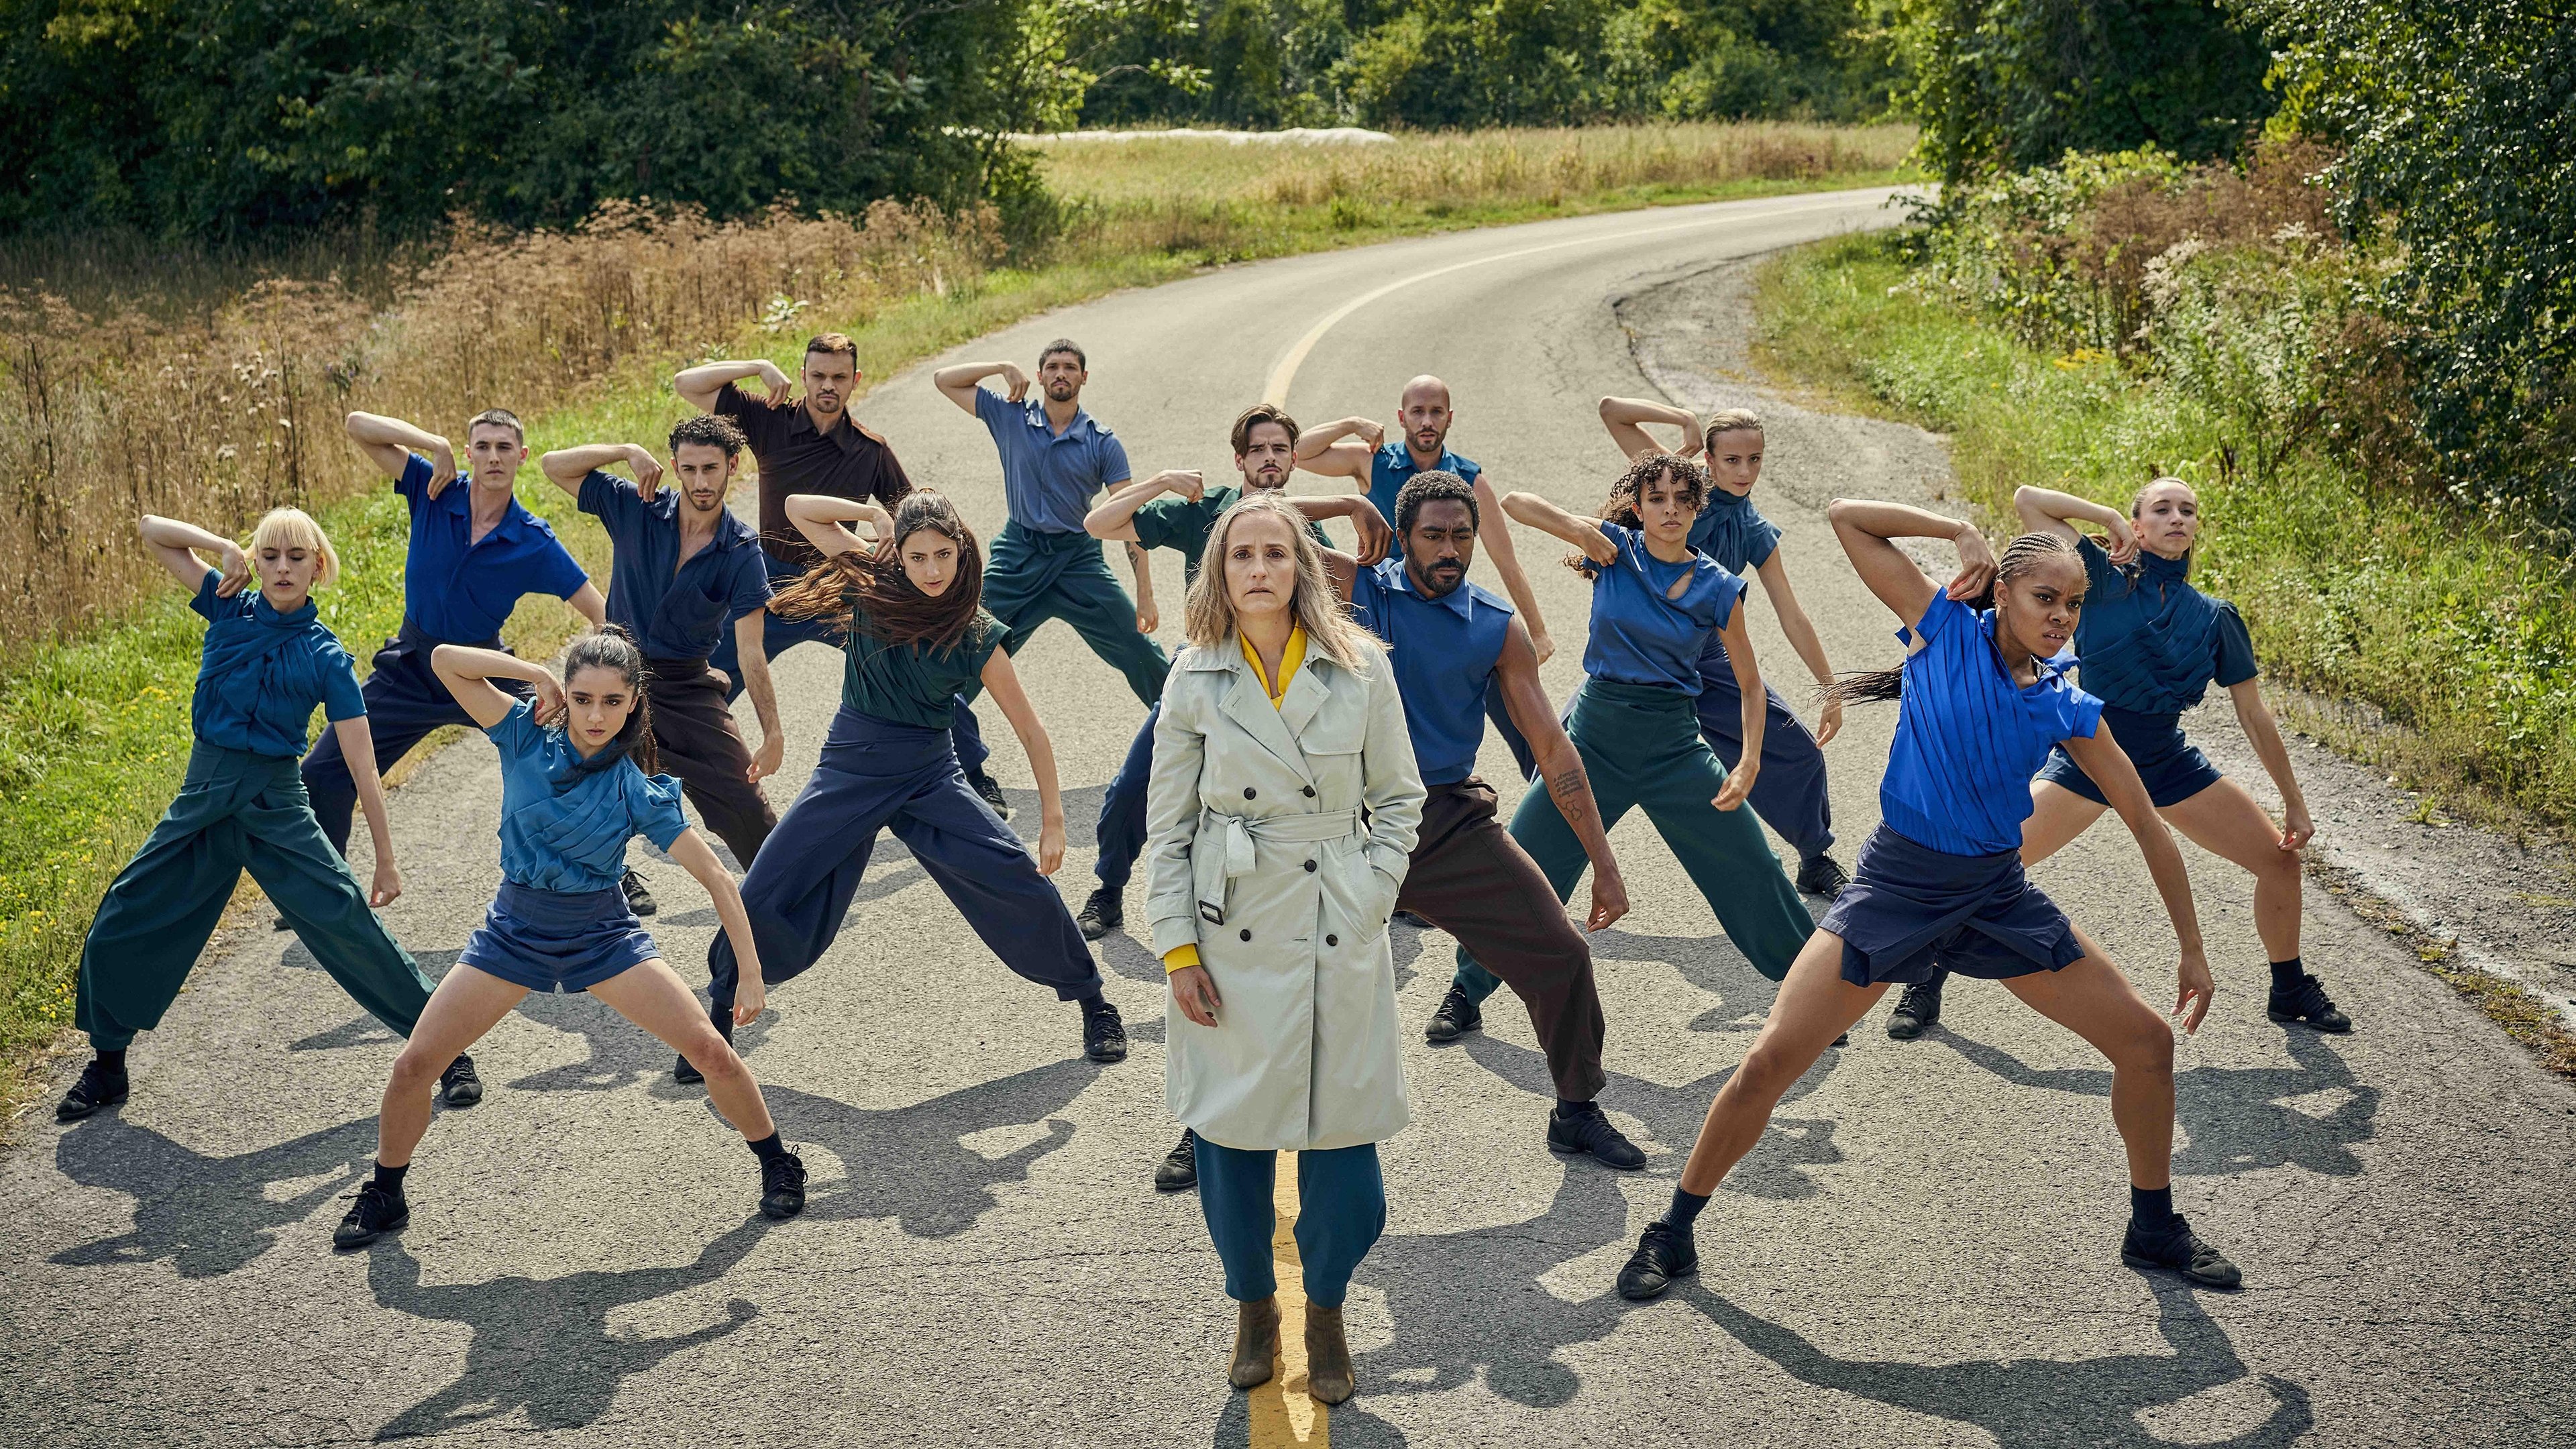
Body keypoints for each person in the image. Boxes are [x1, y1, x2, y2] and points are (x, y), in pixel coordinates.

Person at [1613, 500, 2239, 1304]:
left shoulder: (2065, 705)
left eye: (2074, 603)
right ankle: (1674, 1230)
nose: (2061, 617)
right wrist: (1954, 533)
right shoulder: (1941, 627)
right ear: (2003, 593)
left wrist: (2192, 946)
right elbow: (1846, 519)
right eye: (2045, 598)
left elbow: (2148, 825)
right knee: (1771, 1059)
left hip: (1994, 893)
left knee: (2149, 1044)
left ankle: (2153, 1228)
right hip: (1896, 887)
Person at [331, 629, 806, 1248]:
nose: (596, 715)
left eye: (613, 702)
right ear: (567, 695)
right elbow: (446, 660)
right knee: (414, 1065)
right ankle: (386, 1192)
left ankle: (777, 1162)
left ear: (634, 702)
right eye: (583, 699)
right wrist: (532, 672)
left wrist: (748, 971)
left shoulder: (638, 787)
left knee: (711, 1052)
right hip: (513, 932)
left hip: (602, 935)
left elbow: (716, 875)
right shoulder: (524, 731)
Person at [1881, 480, 2345, 1040]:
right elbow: (2030, 502)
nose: (2177, 518)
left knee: (2279, 860)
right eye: (2161, 509)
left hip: (2166, 760)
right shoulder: (2097, 579)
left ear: (2198, 527)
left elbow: (2253, 714)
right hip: (2086, 758)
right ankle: (1927, 978)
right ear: (2137, 524)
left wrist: (2294, 802)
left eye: (2188, 511)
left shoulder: (2217, 617)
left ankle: (2289, 985)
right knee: (1987, 862)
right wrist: (2105, 517)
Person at [690, 490, 1125, 1081]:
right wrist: (871, 518)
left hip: (928, 771)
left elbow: (1031, 729)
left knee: (1012, 874)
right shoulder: (869, 579)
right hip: (851, 767)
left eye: (943, 555)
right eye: (918, 557)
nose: (932, 570)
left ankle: (1093, 1001)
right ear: (900, 555)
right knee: (771, 881)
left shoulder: (975, 631)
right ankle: (716, 1017)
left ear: (961, 549)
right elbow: (795, 508)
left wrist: (1052, 819)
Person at [58, 509, 474, 1124]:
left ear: (318, 567)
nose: (282, 568)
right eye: (270, 555)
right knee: (125, 912)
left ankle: (446, 1050)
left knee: (347, 921)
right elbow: (149, 530)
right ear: (256, 562)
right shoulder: (227, 605)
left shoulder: (326, 654)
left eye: (296, 557)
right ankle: (107, 1064)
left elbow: (362, 765)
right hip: (203, 797)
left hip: (277, 804)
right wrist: (220, 547)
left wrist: (385, 860)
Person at [1146, 491, 1424, 1406]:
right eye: (1240, 555)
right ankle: (1255, 1306)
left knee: (1345, 1150)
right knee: (1231, 1140)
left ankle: (1329, 1309)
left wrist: (1372, 894)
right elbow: (1170, 828)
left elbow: (1400, 802)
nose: (1257, 568)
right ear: (1220, 574)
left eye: (1273, 552)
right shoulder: (1193, 675)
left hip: (1337, 921)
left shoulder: (1363, 668)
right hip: (1231, 927)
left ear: (1299, 568)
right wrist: (1179, 950)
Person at [1336, 469, 1647, 1173]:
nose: (1449, 550)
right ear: (1402, 535)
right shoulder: (1354, 586)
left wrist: (1603, 861)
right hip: (1340, 822)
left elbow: (1551, 747)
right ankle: (1214, 1128)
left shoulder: (1494, 627)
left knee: (1561, 954)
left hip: (1444, 822)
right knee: (1273, 967)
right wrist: (1348, 502)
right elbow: (1245, 526)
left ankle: (1576, 1111)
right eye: (1433, 536)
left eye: (1462, 537)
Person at [1441, 453, 1814, 1038]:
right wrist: (1578, 529)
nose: (1669, 511)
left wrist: (1747, 764)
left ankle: (1814, 995)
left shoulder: (1720, 587)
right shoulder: (1614, 548)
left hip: (1674, 748)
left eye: (1680, 501)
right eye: (1656, 499)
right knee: (1523, 860)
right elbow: (1514, 505)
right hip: (1592, 742)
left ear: (1697, 510)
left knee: (1754, 867)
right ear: (1638, 507)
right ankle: (1467, 989)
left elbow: (1749, 686)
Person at [1071, 402, 1392, 948]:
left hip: (1281, 682)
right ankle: (1108, 887)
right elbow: (1097, 523)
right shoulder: (1208, 510)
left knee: (1331, 777)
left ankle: (1361, 885)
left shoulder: (1306, 533)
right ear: (1239, 460)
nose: (1270, 459)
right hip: (1205, 675)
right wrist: (1159, 481)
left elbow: (1339, 609)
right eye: (1259, 450)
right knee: (1133, 786)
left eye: (1280, 450)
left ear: (1293, 460)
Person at [674, 338, 1006, 808]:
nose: (828, 386)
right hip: (770, 585)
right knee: (710, 677)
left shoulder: (870, 450)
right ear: (804, 374)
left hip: (840, 584)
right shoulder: (770, 419)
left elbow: (916, 516)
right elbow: (685, 383)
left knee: (915, 663)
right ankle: (659, 779)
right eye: (818, 375)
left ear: (856, 380)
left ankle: (973, 772)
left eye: (838, 377)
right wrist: (758, 367)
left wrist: (898, 548)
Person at [302, 409, 606, 904]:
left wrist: (604, 672)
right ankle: (323, 896)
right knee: (322, 770)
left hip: (480, 671)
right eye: (482, 446)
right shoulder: (433, 488)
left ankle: (605, 873)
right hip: (410, 668)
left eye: (504, 448)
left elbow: (598, 609)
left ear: (521, 458)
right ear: (468, 453)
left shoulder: (532, 539)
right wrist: (431, 443)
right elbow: (358, 425)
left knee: (567, 754)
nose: (493, 457)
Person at [1597, 398, 1849, 898]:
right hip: (1636, 653)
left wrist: (1832, 689)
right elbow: (1611, 411)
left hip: (1707, 657)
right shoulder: (1676, 488)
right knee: (1563, 758)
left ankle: (1815, 859)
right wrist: (1680, 421)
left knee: (1798, 752)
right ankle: (1527, 867)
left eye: (1754, 459)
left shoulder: (1753, 528)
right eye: (1731, 460)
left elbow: (1790, 613)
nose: (1745, 470)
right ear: (1707, 461)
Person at [537, 415, 784, 869]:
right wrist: (623, 448)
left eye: (711, 468)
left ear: (733, 465)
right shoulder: (636, 507)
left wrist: (772, 732)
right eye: (689, 469)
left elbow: (750, 649)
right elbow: (554, 466)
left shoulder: (741, 549)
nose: (700, 481)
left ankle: (785, 907)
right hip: (615, 679)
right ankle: (573, 902)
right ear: (673, 466)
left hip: (687, 689)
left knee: (747, 806)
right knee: (564, 792)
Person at [931, 340, 1169, 809]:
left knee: (1139, 651)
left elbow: (1130, 522)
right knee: (965, 651)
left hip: (1078, 560)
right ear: (1040, 377)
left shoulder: (1103, 442)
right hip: (1017, 557)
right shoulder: (1010, 416)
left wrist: (1145, 594)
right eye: (1053, 367)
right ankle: (936, 753)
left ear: (1084, 379)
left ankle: (1197, 733)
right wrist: (1001, 365)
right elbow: (945, 380)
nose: (1062, 374)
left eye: (1071, 368)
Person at [1299, 375, 1558, 782]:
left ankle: (1550, 788)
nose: (1427, 421)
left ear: (1450, 419)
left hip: (1450, 610)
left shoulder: (1469, 481)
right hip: (1382, 609)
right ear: (1402, 417)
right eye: (1417, 412)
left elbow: (1507, 562)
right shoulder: (1373, 461)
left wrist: (1538, 632)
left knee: (1523, 712)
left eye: (1436, 412)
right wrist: (1351, 424)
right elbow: (1300, 453)